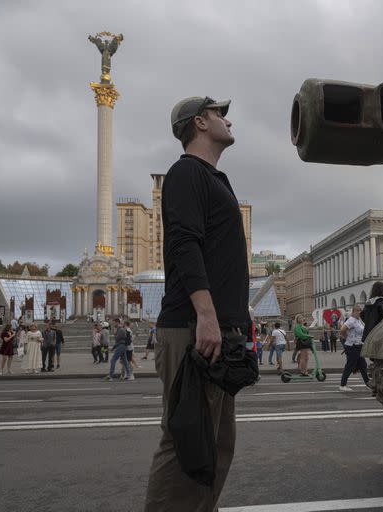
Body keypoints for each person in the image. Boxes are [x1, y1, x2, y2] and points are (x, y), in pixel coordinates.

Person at [145, 94, 247, 511]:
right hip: (193, 329)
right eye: (219, 113)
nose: (227, 119)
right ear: (200, 123)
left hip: (214, 329)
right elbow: (184, 245)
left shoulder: (211, 177)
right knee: (188, 444)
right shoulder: (186, 172)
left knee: (216, 448)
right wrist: (206, 315)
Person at [338, 305, 368, 391]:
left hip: (358, 345)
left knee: (363, 365)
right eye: (357, 311)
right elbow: (342, 329)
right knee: (350, 366)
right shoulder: (351, 320)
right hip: (352, 346)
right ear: (353, 312)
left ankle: (368, 383)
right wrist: (346, 338)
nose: (359, 312)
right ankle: (342, 385)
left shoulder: (359, 320)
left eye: (360, 311)